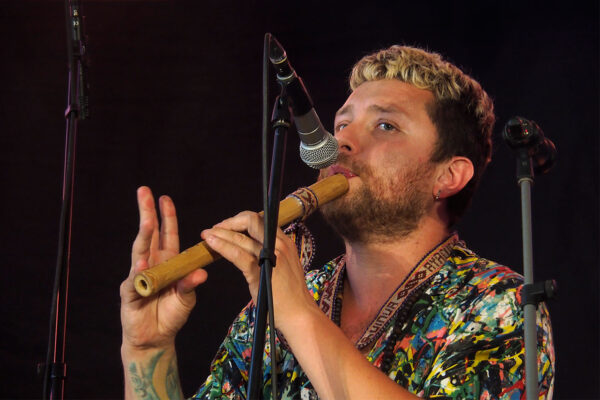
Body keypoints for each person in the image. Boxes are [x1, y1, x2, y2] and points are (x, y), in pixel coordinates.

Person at [120, 45, 555, 399]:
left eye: (385, 125)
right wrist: (147, 351)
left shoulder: (499, 304)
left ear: (448, 176)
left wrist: (295, 315)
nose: (341, 140)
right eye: (342, 124)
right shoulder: (287, 297)